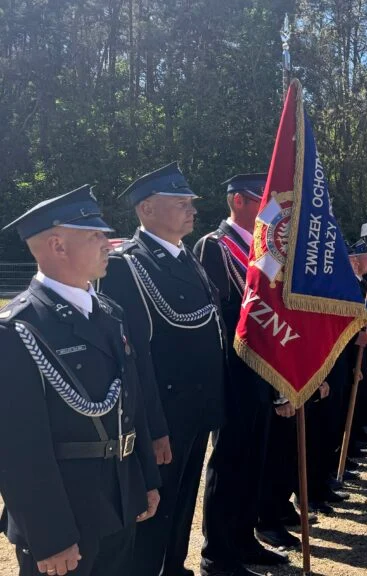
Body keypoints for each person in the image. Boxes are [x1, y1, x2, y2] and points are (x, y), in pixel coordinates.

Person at [0, 186, 161, 576]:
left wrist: (146, 481)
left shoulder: (109, 312)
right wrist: (51, 536)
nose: (108, 243)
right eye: (95, 236)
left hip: (119, 497)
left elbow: (131, 403)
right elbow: (18, 450)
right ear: (57, 245)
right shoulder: (19, 329)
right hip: (65, 514)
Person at [97, 163, 227, 576]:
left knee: (183, 500)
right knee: (155, 510)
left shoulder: (187, 258)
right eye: (181, 203)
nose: (192, 210)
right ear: (147, 210)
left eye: (191, 203)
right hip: (164, 414)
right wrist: (152, 428)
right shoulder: (126, 267)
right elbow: (132, 357)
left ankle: (173, 567)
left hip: (197, 408)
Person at [193, 174, 288, 574]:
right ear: (237, 201)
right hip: (233, 369)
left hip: (261, 367)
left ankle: (245, 538)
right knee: (230, 457)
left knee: (256, 455)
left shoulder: (264, 250)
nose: (266, 210)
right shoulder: (214, 247)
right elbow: (215, 316)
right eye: (258, 201)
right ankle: (218, 550)